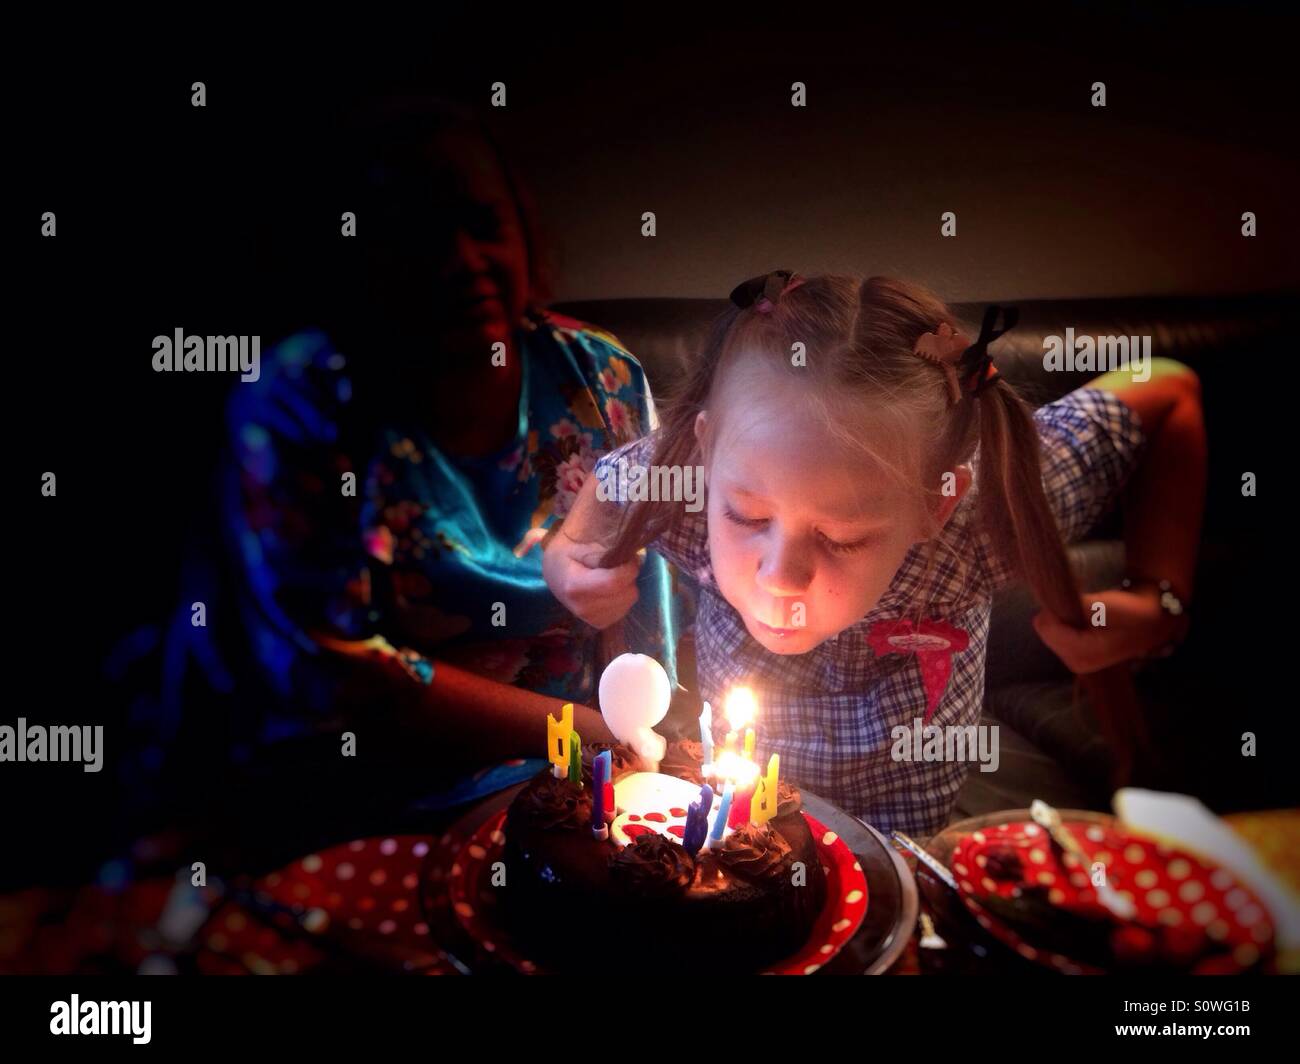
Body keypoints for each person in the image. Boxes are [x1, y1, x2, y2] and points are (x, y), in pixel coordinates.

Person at [119, 97, 691, 837]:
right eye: (417, 235)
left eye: (484, 225)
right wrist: (582, 731)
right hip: (366, 787)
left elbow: (648, 572)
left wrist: (646, 727)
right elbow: (338, 672)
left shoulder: (599, 372)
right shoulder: (303, 405)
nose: (462, 263)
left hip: (584, 768)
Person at [544, 271, 1204, 836]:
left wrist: (1160, 597)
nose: (781, 577)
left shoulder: (985, 518)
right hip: (752, 838)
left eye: (842, 536)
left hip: (914, 841)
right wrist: (567, 553)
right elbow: (616, 479)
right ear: (708, 453)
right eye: (746, 514)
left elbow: (1170, 387)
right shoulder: (682, 490)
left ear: (935, 506)